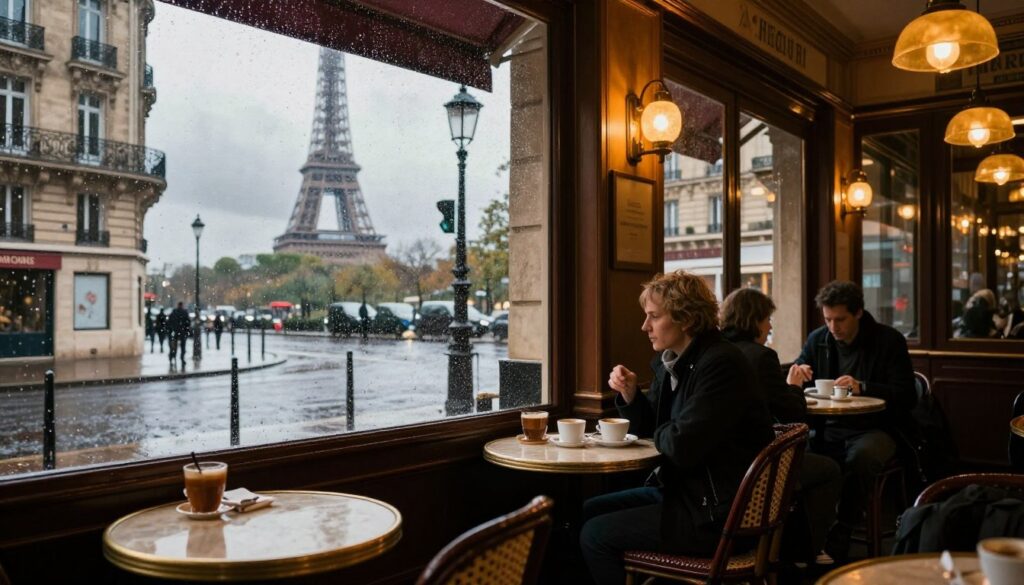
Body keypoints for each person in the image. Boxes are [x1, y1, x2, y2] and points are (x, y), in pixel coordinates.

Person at [579, 271, 774, 585]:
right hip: (689, 494)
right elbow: (658, 430)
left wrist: (666, 428)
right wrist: (631, 395)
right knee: (590, 509)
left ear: (686, 319)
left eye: (653, 317)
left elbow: (680, 445)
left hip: (716, 514)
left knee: (595, 535)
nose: (645, 327)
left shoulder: (721, 364)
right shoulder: (675, 361)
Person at [787, 280, 916, 561]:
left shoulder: (888, 341)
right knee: (798, 454)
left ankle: (842, 529)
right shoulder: (818, 339)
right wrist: (800, 371)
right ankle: (806, 538)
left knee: (862, 456)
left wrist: (864, 387)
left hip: (877, 427)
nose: (834, 327)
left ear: (858, 313)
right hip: (826, 427)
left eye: (840, 319)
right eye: (828, 319)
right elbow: (800, 365)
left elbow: (907, 395)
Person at [720, 288, 843, 567]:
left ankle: (791, 542)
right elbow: (793, 414)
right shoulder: (760, 356)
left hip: (718, 464)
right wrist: (794, 387)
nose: (770, 326)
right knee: (829, 470)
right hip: (752, 466)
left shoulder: (716, 350)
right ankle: (807, 550)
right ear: (754, 319)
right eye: (767, 319)